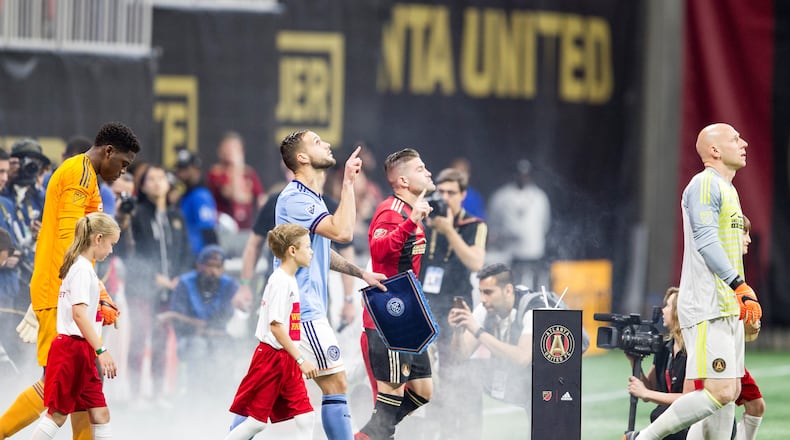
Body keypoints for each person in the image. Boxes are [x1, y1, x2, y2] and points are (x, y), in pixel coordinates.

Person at [0, 122, 139, 440]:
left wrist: (97, 292)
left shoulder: (86, 175)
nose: (122, 172)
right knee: (57, 384)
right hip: (60, 290)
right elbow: (70, 241)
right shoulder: (78, 175)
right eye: (123, 163)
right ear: (108, 151)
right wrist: (93, 290)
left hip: (69, 288)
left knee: (81, 384)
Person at [625, 123, 762, 440]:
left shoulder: (729, 189)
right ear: (714, 150)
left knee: (728, 397)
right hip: (706, 305)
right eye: (734, 138)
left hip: (725, 308)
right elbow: (705, 240)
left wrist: (739, 299)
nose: (743, 142)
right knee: (720, 392)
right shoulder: (703, 184)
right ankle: (643, 439)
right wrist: (739, 285)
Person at [274, 130, 385, 440]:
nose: (327, 144)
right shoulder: (296, 198)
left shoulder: (310, 197)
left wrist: (360, 274)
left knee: (264, 403)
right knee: (335, 383)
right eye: (317, 142)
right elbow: (343, 232)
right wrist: (349, 183)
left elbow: (322, 253)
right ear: (303, 158)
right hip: (302, 311)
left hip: (299, 310)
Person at [447, 263, 589, 439]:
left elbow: (522, 357)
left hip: (545, 382)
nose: (483, 299)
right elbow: (459, 357)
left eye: (488, 292)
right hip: (512, 376)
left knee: (543, 391)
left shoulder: (533, 309)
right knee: (464, 373)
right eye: (481, 292)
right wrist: (458, 331)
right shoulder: (484, 310)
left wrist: (477, 331)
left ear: (507, 290)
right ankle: (466, 436)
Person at [356, 148, 435, 440]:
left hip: (407, 317)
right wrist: (411, 221)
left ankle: (374, 430)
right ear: (402, 180)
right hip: (387, 318)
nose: (427, 172)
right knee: (391, 398)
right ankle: (373, 432)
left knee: (423, 392)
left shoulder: (409, 213)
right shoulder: (391, 210)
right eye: (420, 169)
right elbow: (378, 251)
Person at [30, 212, 121, 440]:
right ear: (98, 239)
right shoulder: (81, 269)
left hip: (83, 352)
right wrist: (101, 350)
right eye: (111, 244)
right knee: (57, 415)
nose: (111, 251)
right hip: (71, 350)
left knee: (101, 414)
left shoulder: (84, 268)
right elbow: (79, 314)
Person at [224, 223, 317, 440]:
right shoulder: (280, 281)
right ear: (292, 251)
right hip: (272, 359)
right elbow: (275, 326)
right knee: (256, 423)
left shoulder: (290, 279)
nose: (311, 251)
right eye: (307, 246)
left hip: (287, 359)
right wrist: (302, 359)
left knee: (306, 416)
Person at [417, 167, 487, 439]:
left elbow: (476, 263)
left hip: (456, 306)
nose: (444, 198)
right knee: (429, 375)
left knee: (457, 370)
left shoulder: (474, 225)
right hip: (427, 305)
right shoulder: (425, 223)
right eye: (440, 192)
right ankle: (435, 428)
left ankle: (459, 431)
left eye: (450, 193)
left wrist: (449, 231)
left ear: (463, 195)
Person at [157, 245, 239, 393]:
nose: (214, 271)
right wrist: (197, 327)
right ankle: (195, 395)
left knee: (225, 349)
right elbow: (178, 320)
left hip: (218, 336)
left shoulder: (229, 285)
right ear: (200, 265)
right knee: (197, 347)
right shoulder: (185, 283)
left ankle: (223, 396)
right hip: (190, 337)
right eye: (209, 266)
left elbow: (225, 316)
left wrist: (205, 328)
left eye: (218, 267)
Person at [625, 287, 689, 440]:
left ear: (679, 312)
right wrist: (634, 362)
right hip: (670, 422)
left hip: (691, 423)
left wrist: (645, 393)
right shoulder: (664, 347)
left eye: (668, 305)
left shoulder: (693, 350)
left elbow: (689, 399)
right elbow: (650, 388)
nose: (663, 310)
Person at [486, 158, 551, 289]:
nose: (523, 178)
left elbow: (545, 223)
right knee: (512, 286)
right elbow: (492, 223)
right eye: (520, 174)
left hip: (534, 252)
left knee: (532, 286)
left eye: (526, 175)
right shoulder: (501, 196)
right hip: (509, 253)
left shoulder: (540, 197)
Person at [206, 131, 266, 230]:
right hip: (223, 229)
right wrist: (237, 166)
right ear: (221, 151)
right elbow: (236, 196)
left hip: (246, 229)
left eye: (234, 148)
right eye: (228, 148)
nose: (231, 152)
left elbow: (261, 199)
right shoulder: (216, 173)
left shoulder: (249, 173)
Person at [174, 148, 218, 257]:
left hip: (199, 258)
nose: (181, 172)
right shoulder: (186, 195)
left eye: (186, 168)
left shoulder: (201, 195)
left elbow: (208, 230)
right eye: (179, 168)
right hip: (185, 256)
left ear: (196, 169)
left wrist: (213, 256)